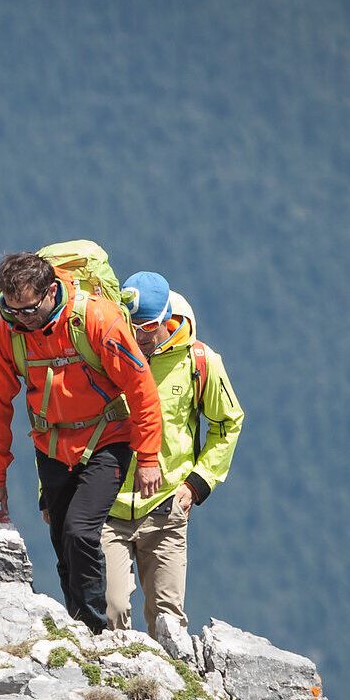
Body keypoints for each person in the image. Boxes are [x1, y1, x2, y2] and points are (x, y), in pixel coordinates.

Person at [0, 251, 162, 632]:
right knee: (61, 539)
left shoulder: (98, 320)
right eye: (11, 310)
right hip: (53, 444)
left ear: (50, 291)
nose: (20, 319)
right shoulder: (7, 335)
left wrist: (148, 456)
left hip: (109, 438)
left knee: (80, 531)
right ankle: (78, 621)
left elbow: (140, 388)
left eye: (28, 310)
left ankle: (95, 629)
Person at [100, 271, 244, 636]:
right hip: (107, 507)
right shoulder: (107, 351)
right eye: (132, 326)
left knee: (169, 621)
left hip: (166, 507)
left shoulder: (200, 361)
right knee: (111, 613)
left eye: (147, 328)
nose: (138, 336)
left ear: (167, 320)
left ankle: (166, 690)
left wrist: (197, 485)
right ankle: (112, 691)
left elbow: (228, 422)